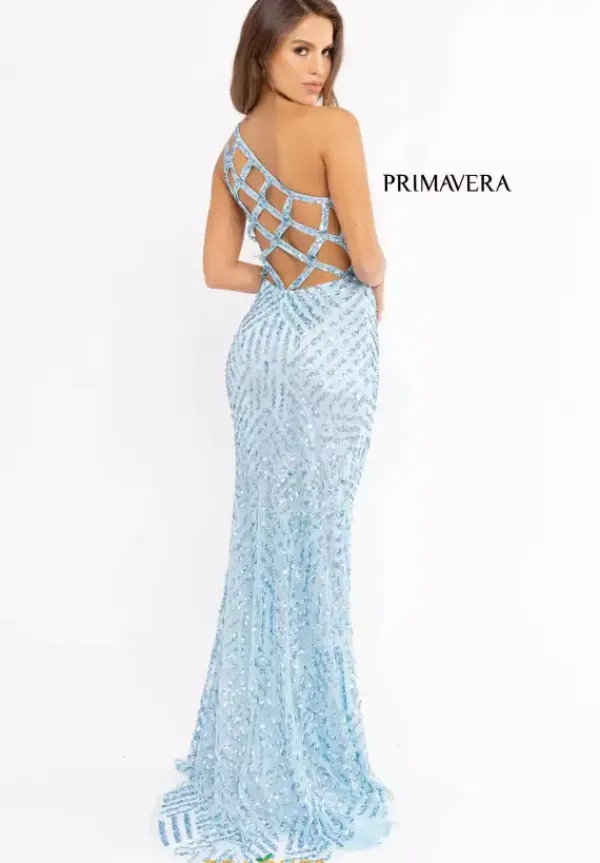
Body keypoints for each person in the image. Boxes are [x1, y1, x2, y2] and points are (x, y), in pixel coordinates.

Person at [153, 1, 394, 860]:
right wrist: (371, 279)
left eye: (327, 51)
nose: (319, 67)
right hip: (329, 348)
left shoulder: (233, 152)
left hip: (262, 354)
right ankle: (312, 769)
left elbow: (219, 269)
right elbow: (367, 256)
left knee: (262, 552)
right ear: (261, 51)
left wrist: (285, 282)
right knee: (316, 557)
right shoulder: (336, 129)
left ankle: (254, 767)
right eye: (301, 48)